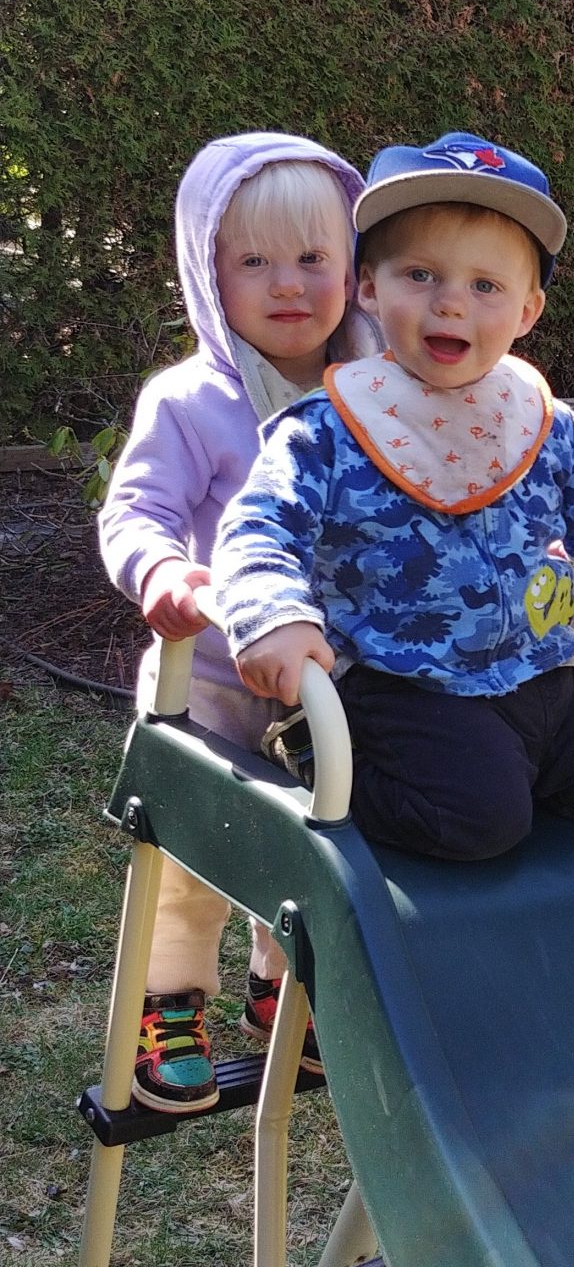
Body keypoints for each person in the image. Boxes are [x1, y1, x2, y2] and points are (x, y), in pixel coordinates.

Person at [212, 133, 574, 862]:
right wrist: (271, 614)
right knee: (478, 823)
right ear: (368, 287)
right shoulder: (328, 429)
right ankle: (316, 756)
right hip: (405, 685)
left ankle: (509, 768)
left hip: (540, 672)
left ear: (528, 311)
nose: (450, 304)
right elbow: (259, 528)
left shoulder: (544, 425)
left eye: (485, 286)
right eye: (420, 275)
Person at [99, 131, 374, 1110]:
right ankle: (168, 1003)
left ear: (354, 268)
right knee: (192, 859)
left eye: (312, 257)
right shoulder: (189, 402)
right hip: (210, 676)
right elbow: (136, 510)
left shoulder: (375, 392)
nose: (287, 283)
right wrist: (162, 568)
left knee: (303, 843)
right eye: (253, 261)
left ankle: (280, 991)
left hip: (323, 686)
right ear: (208, 275)